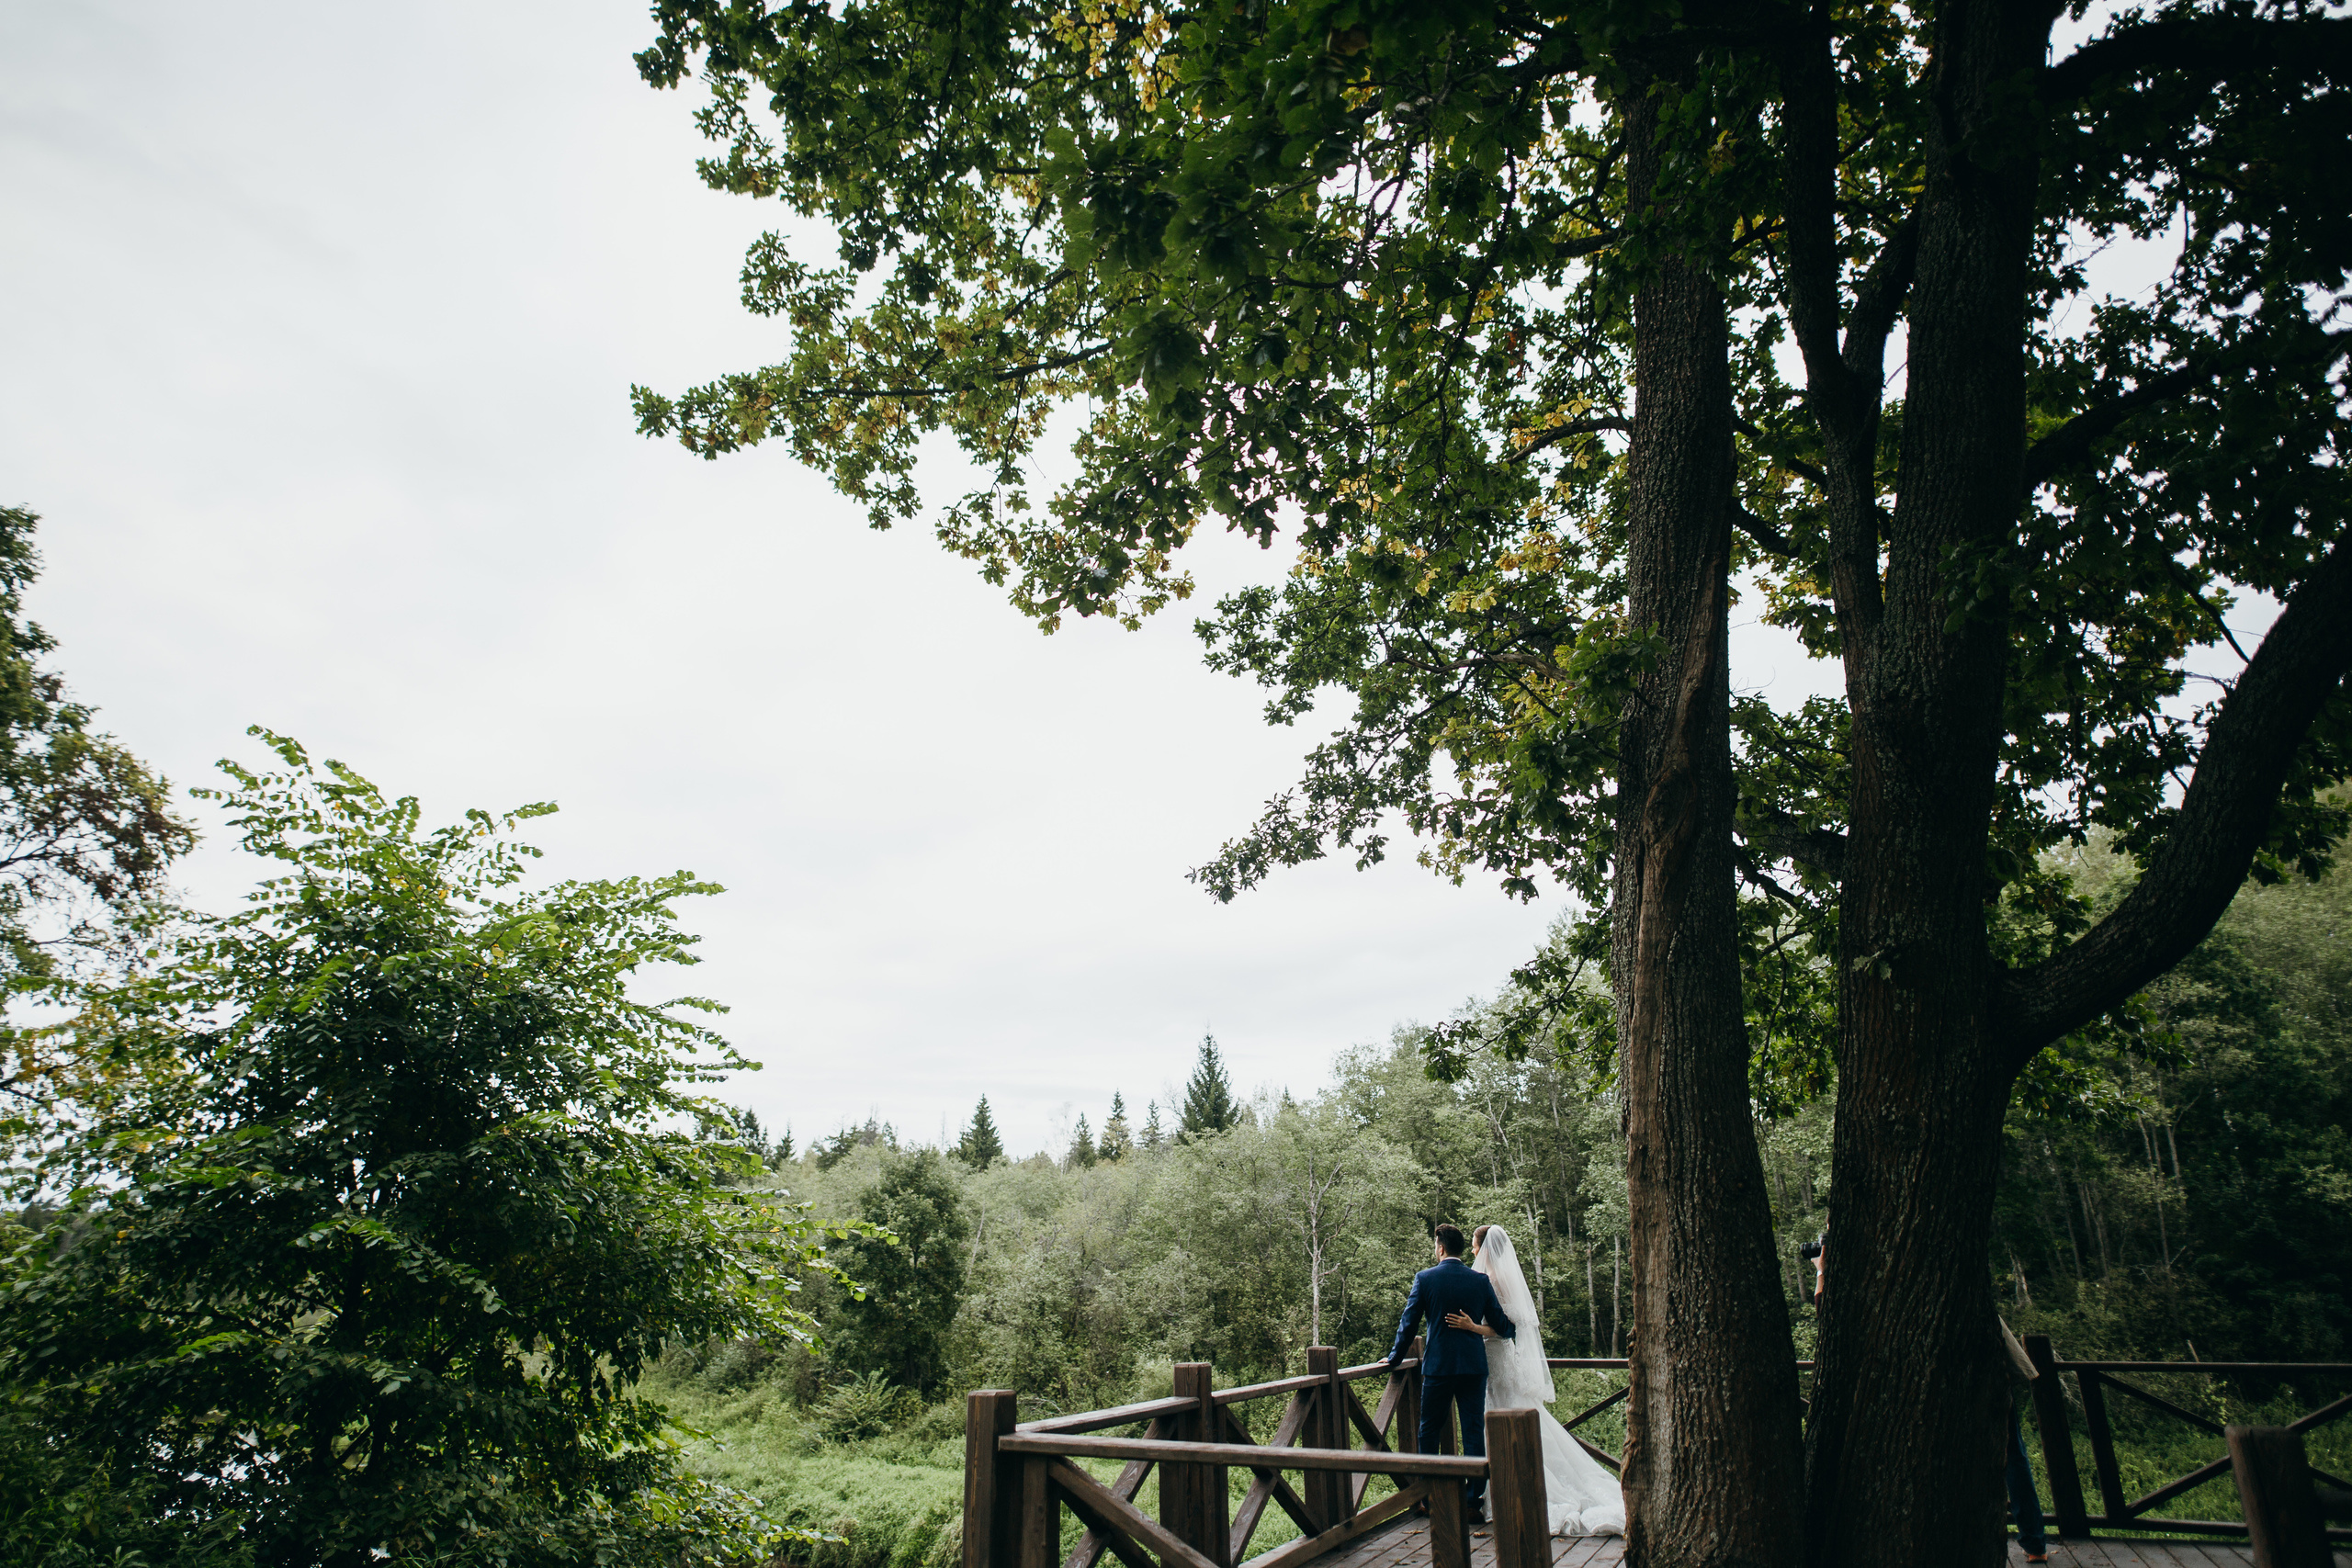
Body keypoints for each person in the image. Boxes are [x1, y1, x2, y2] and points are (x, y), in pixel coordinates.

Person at [1441, 1224, 1627, 1537]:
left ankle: (1512, 1490)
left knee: (1500, 1419)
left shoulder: (1493, 1281)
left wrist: (1473, 1327)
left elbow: (1506, 1328)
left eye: (1475, 1245)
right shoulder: (1491, 1278)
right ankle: (1494, 1489)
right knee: (1498, 1420)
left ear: (1485, 1247)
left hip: (1495, 1358)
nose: (1473, 1250)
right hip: (1495, 1361)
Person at [1385, 1223, 1513, 1525]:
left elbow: (1409, 1324)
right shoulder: (1480, 1281)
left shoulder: (1426, 1279)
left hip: (1439, 1368)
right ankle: (1472, 1503)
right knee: (1472, 1433)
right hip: (1473, 1367)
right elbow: (1505, 1326)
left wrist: (1393, 1359)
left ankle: (1430, 1498)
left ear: (1441, 1247)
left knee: (1428, 1430)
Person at [2000, 1318, 2050, 1564]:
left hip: (1990, 1384)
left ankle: (2034, 1543)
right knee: (2015, 1460)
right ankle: (2034, 1544)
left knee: (2014, 1461)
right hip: (1996, 1381)